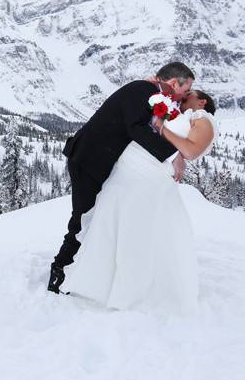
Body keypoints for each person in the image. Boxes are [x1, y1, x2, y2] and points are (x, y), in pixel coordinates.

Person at [57, 90, 218, 314]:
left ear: (202, 101)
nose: (184, 96)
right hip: (129, 173)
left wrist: (162, 129)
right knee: (115, 225)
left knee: (139, 230)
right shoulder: (182, 114)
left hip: (149, 178)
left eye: (190, 93)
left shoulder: (203, 119)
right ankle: (103, 280)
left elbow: (191, 150)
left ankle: (137, 287)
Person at [47, 62, 195, 294]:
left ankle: (85, 267)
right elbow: (135, 128)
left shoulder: (149, 93)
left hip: (99, 161)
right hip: (88, 160)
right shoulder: (142, 91)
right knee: (84, 216)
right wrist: (176, 152)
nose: (183, 97)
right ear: (174, 83)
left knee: (95, 216)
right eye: (184, 91)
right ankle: (60, 268)